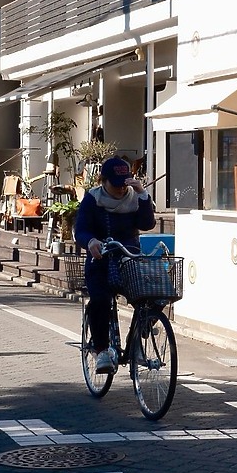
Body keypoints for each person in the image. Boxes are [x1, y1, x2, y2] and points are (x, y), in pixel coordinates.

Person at [74, 157, 156, 373]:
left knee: (154, 293)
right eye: (116, 184)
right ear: (104, 181)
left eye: (124, 183)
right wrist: (90, 241)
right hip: (101, 260)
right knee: (100, 300)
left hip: (129, 258)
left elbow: (147, 224)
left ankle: (136, 338)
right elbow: (80, 230)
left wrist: (143, 195)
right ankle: (101, 349)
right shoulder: (93, 199)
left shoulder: (134, 197)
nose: (121, 189)